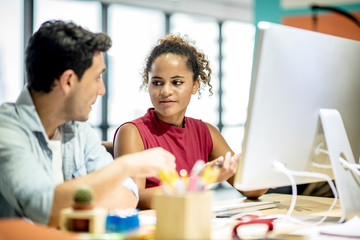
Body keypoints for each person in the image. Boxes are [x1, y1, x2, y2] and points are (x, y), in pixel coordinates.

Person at [0, 20, 176, 227]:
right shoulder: (7, 130)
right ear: (68, 81)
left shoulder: (77, 128)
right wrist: (127, 165)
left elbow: (128, 195)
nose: (101, 90)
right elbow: (45, 208)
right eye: (96, 78)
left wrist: (72, 205)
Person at [114, 34, 267, 209]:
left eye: (176, 82)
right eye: (157, 83)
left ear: (195, 85)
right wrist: (200, 181)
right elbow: (134, 198)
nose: (165, 91)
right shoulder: (132, 132)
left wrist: (268, 174)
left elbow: (249, 188)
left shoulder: (206, 132)